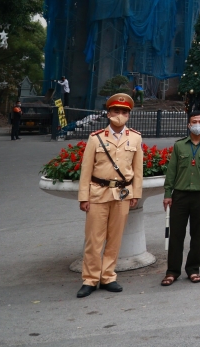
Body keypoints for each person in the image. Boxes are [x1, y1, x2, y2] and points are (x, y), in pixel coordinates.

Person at [76, 93, 142, 298]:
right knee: (94, 239)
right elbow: (86, 169)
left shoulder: (135, 137)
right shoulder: (95, 138)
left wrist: (136, 193)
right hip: (98, 192)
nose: (120, 115)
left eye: (124, 112)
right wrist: (83, 197)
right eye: (116, 111)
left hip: (122, 193)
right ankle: (90, 279)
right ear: (108, 113)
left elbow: (137, 169)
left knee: (115, 238)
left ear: (129, 115)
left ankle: (108, 276)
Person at [161, 111, 200, 286]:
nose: (197, 124)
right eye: (194, 121)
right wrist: (167, 194)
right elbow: (172, 171)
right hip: (179, 196)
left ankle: (193, 269)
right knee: (176, 235)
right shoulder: (179, 145)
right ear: (188, 125)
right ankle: (172, 271)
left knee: (197, 235)